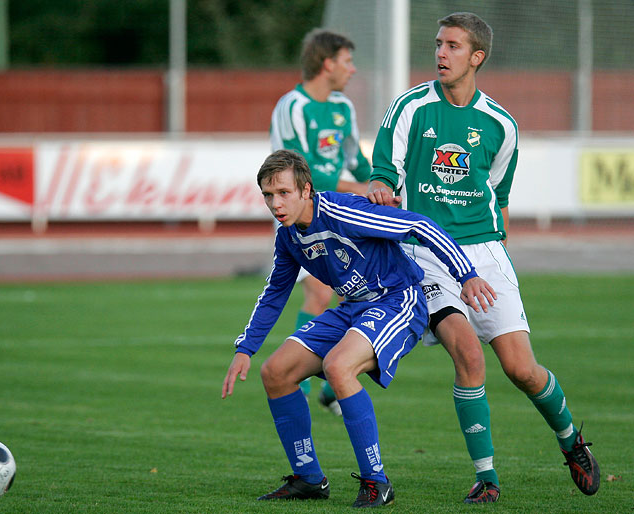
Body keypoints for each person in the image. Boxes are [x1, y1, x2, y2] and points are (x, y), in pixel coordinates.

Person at [367, 12, 599, 503]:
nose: (440, 54)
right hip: (426, 252)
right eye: (437, 44)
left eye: (452, 46)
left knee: (522, 370)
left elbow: (499, 197)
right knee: (469, 356)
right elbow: (384, 169)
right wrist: (383, 187)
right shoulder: (409, 107)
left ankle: (570, 441)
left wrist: (496, 260)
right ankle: (487, 478)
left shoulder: (500, 125)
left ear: (477, 57)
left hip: (486, 254)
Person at [222, 149, 497, 507]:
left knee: (339, 366)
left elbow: (420, 225)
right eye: (268, 196)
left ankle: (376, 482)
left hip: (396, 300)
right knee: (276, 372)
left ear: (306, 190)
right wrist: (245, 349)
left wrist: (467, 275)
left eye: (283, 193)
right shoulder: (289, 237)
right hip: (352, 307)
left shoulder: (342, 210)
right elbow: (275, 292)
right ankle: (308, 479)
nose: (275, 203)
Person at [270, 28, 371, 411]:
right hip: (302, 213)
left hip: (341, 211)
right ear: (327, 63)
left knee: (361, 290)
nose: (353, 69)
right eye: (347, 61)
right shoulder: (292, 107)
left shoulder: (343, 107)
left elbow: (357, 159)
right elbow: (298, 174)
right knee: (318, 291)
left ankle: (332, 384)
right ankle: (299, 384)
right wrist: (359, 186)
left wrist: (379, 183)